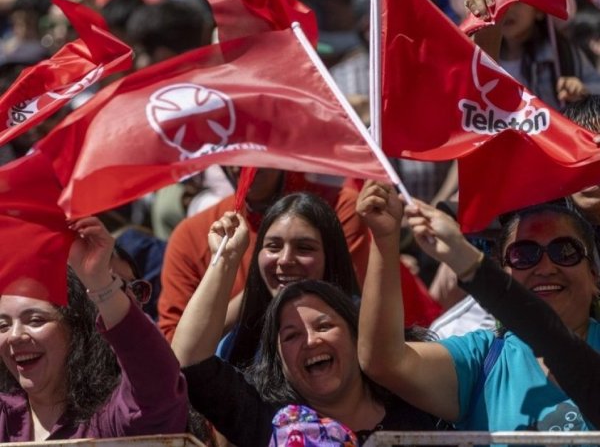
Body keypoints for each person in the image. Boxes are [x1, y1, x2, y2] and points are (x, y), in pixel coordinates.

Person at [171, 208, 440, 446]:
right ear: (278, 359)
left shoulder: (416, 399)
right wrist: (226, 259)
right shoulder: (267, 419)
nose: (311, 341)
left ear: (356, 335)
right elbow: (190, 361)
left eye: (324, 326)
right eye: (291, 336)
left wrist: (386, 238)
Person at [357, 180, 600, 437]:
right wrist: (385, 239)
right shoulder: (482, 359)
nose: (546, 268)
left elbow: (557, 344)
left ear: (594, 274)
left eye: (565, 251)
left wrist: (466, 260)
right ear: (503, 271)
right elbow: (385, 361)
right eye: (523, 255)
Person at [0, 216, 189, 441]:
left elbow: (158, 388)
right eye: (3, 325)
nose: (14, 336)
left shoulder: (112, 419)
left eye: (35, 320)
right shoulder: (4, 417)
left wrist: (100, 282)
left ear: (76, 329)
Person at [158, 168, 370, 342]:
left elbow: (356, 312)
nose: (285, 260)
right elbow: (175, 354)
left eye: (305, 248)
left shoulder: (341, 207)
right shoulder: (192, 235)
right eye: (273, 247)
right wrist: (234, 270)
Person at [466, 0, 600, 109]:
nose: (507, 9)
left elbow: (596, 89)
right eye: (499, 2)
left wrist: (582, 90)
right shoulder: (482, 52)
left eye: (516, 2)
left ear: (538, 11)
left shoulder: (563, 54)